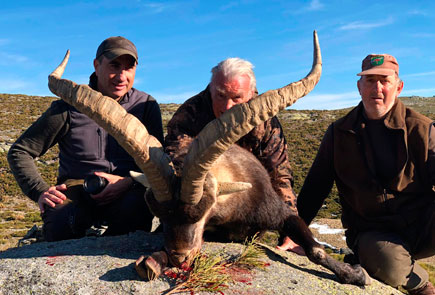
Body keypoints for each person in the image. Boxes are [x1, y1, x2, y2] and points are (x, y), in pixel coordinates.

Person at [285, 54, 435, 294]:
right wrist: (295, 235)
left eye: (384, 81)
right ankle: (421, 286)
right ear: (359, 87)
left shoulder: (421, 128)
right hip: (372, 232)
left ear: (398, 87)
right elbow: (315, 188)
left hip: (420, 225)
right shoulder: (338, 133)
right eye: (369, 80)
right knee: (388, 264)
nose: (377, 88)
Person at [8, 36, 164, 242]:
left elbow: (159, 158)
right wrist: (40, 192)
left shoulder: (146, 105)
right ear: (96, 65)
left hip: (128, 188)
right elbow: (20, 151)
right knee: (63, 223)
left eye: (129, 68)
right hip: (78, 189)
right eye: (114, 66)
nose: (121, 76)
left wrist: (128, 182)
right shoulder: (68, 106)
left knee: (136, 213)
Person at [165, 57, 297, 214]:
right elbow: (176, 166)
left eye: (236, 98)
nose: (227, 107)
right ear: (211, 89)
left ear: (250, 95)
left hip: (246, 199)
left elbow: (279, 175)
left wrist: (289, 220)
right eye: (220, 95)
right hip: (199, 200)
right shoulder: (190, 113)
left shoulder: (263, 120)